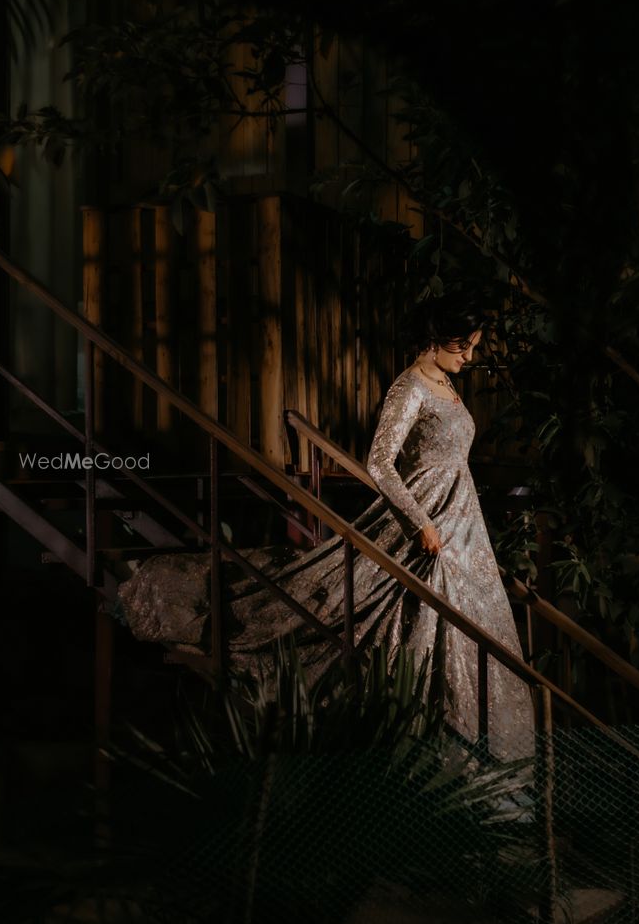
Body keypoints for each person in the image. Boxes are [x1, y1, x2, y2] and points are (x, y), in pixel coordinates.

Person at [115, 296, 536, 766]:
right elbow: (379, 462)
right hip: (430, 523)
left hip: (463, 524)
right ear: (437, 339)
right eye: (463, 347)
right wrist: (419, 523)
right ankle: (434, 754)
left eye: (473, 348)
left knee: (477, 631)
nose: (469, 358)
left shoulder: (446, 385)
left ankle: (483, 763)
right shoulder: (410, 388)